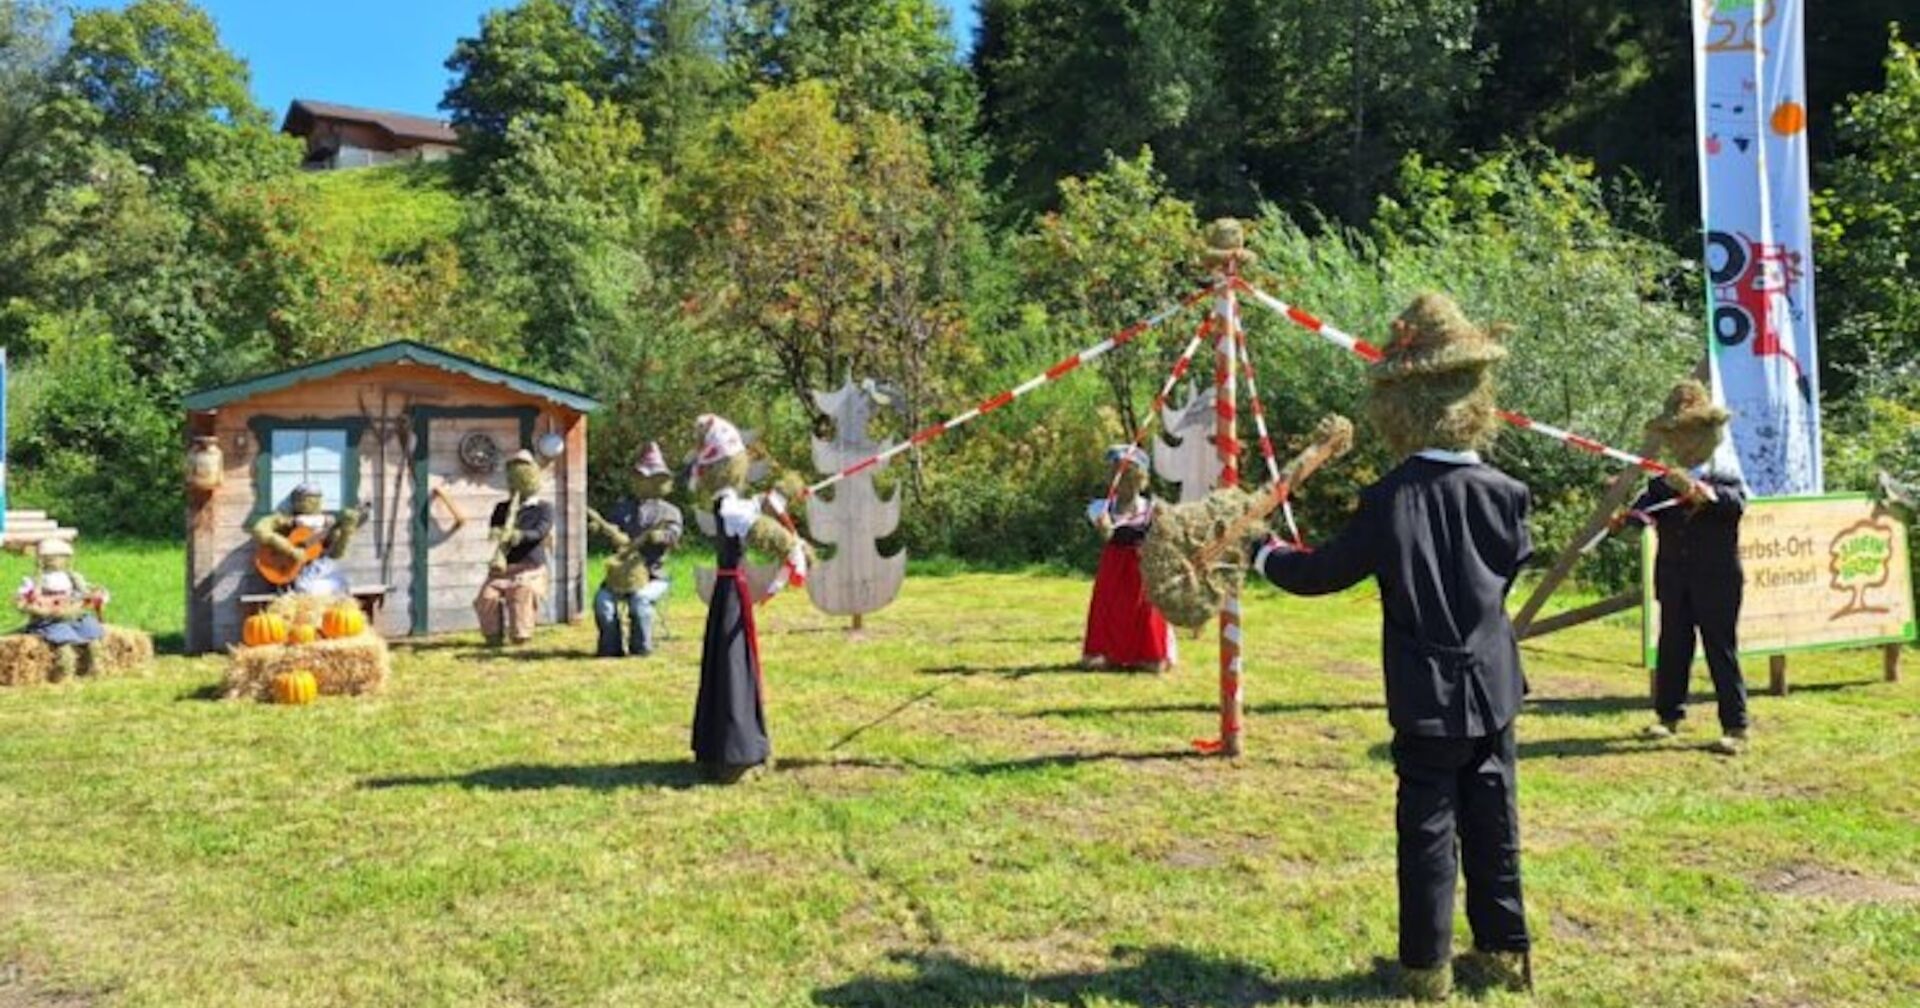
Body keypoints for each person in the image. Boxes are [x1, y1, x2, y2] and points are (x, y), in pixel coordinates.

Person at [1248, 293, 1532, 1001]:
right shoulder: (1507, 491)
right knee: (1495, 817)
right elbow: (1510, 566)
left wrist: (1263, 554)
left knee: (1429, 829)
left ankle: (1425, 969)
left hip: (1426, 695)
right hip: (1493, 685)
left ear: (1401, 407)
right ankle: (1501, 953)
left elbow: (1321, 574)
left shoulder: (1391, 499)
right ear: (1473, 397)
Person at [1614, 379, 1750, 755]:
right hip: (1674, 577)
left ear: (1705, 434)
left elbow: (1734, 505)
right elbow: (1640, 519)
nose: (1677, 442)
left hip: (1717, 579)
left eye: (1683, 433)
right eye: (1672, 434)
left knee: (1720, 647)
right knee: (1672, 645)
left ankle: (1735, 726)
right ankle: (1668, 717)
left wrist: (1702, 494)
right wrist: (1624, 524)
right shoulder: (1660, 485)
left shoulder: (1725, 477)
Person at [687, 414, 808, 783]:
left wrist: (781, 495)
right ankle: (735, 755)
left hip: (729, 593)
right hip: (732, 595)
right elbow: (768, 535)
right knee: (734, 669)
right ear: (729, 465)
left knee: (729, 665)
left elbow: (755, 508)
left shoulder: (728, 504)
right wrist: (796, 549)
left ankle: (721, 749)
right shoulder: (731, 508)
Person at [1082, 445, 1175, 671]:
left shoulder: (1153, 508)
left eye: (1129, 474)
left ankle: (1150, 655)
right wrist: (1104, 525)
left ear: (1140, 478)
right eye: (1117, 474)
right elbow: (1106, 534)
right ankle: (1105, 653)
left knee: (1146, 612)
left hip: (1143, 567)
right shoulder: (1101, 507)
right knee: (1108, 610)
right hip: (1114, 569)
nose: (1123, 480)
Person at [590, 441, 683, 658]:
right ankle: (610, 649)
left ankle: (641, 648)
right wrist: (600, 528)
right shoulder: (623, 508)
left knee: (639, 600)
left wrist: (661, 536)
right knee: (602, 602)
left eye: (651, 478)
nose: (646, 482)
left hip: (654, 576)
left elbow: (674, 534)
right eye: (642, 477)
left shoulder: (670, 511)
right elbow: (612, 527)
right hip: (620, 576)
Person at [473, 449, 555, 647]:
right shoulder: (502, 507)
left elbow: (540, 532)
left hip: (530, 568)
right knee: (487, 597)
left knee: (521, 592)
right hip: (503, 569)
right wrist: (498, 533)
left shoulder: (543, 508)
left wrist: (519, 535)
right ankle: (493, 637)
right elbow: (494, 527)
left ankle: (520, 637)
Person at [13, 539, 107, 680]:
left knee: (93, 638)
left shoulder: (73, 578)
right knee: (64, 645)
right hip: (49, 621)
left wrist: (93, 598)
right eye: (51, 557)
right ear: (42, 559)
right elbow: (22, 603)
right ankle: (65, 673)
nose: (56, 561)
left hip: (73, 617)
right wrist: (42, 610)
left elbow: (84, 595)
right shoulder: (34, 581)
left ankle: (94, 668)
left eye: (61, 556)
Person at [250, 483, 362, 595]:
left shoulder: (327, 523)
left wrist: (347, 531)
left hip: (318, 569)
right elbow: (259, 529)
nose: (311, 503)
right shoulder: (286, 519)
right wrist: (289, 550)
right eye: (306, 499)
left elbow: (336, 554)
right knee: (306, 589)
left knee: (341, 586)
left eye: (315, 499)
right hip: (289, 572)